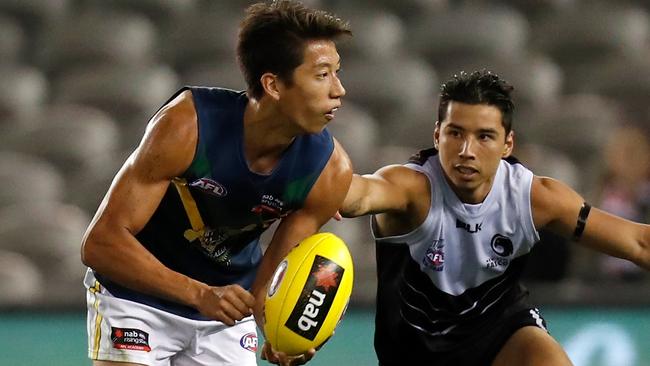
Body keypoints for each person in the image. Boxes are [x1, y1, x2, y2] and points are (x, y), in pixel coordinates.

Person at [80, 2, 353, 365]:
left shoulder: (328, 171)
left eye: (337, 73)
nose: (340, 90)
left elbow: (272, 280)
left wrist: (280, 334)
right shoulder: (187, 126)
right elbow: (101, 243)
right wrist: (199, 294)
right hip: (136, 297)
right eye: (322, 75)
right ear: (272, 84)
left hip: (224, 311)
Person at [340, 70, 650, 366]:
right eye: (455, 133)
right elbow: (358, 193)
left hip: (498, 333)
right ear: (437, 135)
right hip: (412, 352)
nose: (466, 150)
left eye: (484, 136)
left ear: (507, 145)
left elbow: (638, 242)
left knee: (543, 357)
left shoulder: (533, 198)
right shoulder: (409, 190)